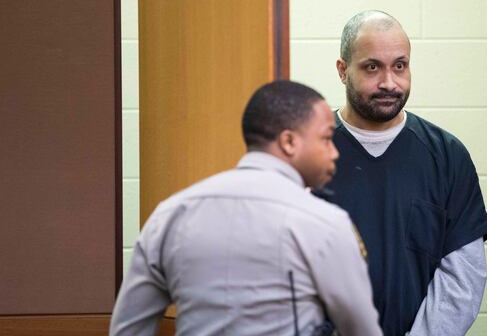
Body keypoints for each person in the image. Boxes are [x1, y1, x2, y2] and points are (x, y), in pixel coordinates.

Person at [110, 80, 382, 336]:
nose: (334, 152)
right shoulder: (325, 223)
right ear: (289, 142)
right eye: (325, 138)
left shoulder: (170, 215)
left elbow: (128, 329)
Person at [319, 10, 487, 335]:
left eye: (399, 66)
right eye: (372, 67)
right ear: (343, 71)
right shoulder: (307, 154)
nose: (389, 82)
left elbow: (462, 277)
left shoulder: (447, 157)